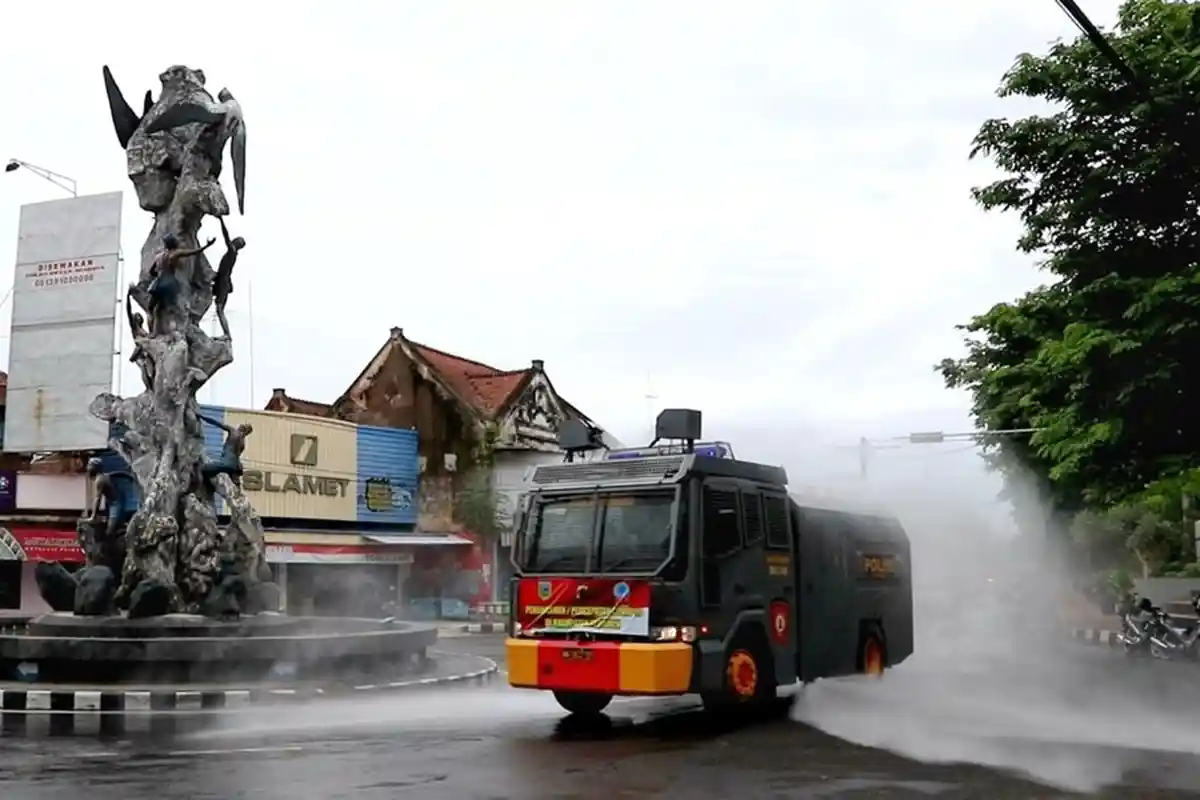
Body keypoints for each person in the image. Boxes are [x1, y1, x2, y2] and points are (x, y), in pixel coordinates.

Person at [147, 233, 216, 334]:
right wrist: (207, 245)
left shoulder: (158, 256)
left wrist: (158, 274)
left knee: (153, 309)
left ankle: (153, 332)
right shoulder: (174, 254)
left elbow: (151, 272)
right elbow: (193, 252)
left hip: (158, 284)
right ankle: (173, 332)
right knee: (171, 310)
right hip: (169, 283)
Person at [198, 413, 253, 486]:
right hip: (233, 467)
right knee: (213, 475)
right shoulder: (243, 444)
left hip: (225, 463)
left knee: (201, 468)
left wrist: (202, 417)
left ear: (241, 428)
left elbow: (216, 423)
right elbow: (237, 457)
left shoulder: (233, 431)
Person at [213, 217, 246, 340]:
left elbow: (226, 236)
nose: (233, 240)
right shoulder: (232, 254)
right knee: (218, 307)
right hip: (222, 281)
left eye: (236, 240)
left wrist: (221, 220)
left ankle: (227, 334)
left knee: (219, 309)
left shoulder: (232, 251)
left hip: (223, 282)